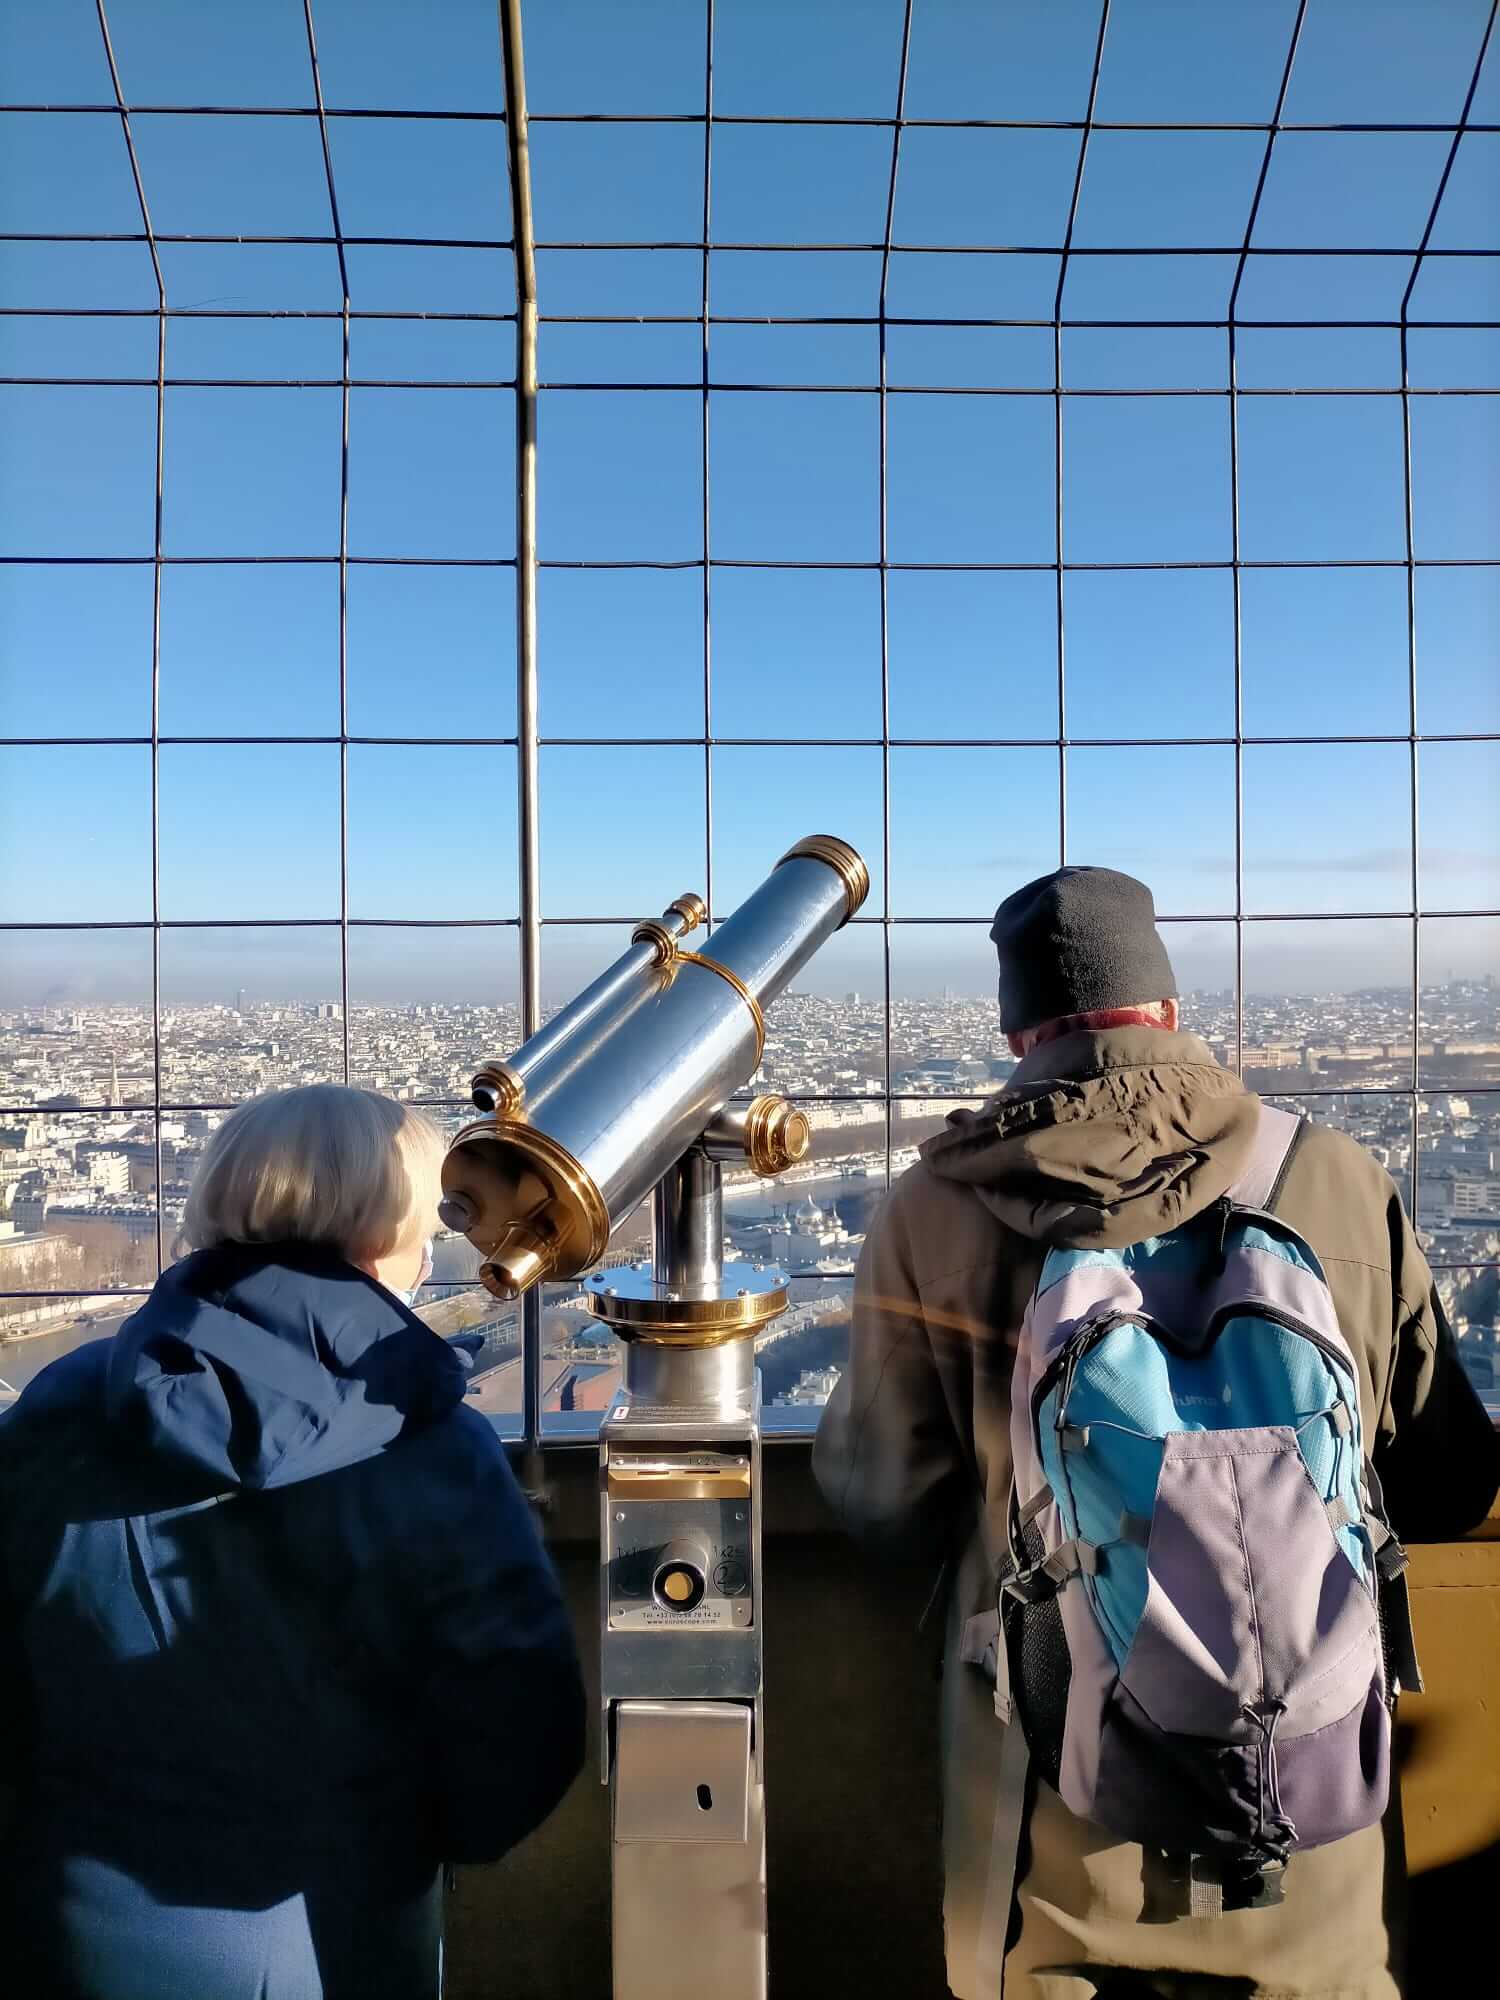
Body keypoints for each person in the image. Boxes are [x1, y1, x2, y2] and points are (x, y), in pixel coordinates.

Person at [814, 867, 1500, 2000]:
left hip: (1048, 1829)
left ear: (1015, 1027)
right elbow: (1447, 1482)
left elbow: (884, 1499)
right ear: (1169, 1012)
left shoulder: (931, 1209)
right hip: (1315, 1827)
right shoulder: (1335, 1178)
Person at [0, 1084, 585, 2000]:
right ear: (386, 1237)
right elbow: (518, 1729)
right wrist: (409, 1841)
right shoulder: (428, 1446)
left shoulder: (58, 1406)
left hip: (74, 1928)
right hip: (336, 1925)